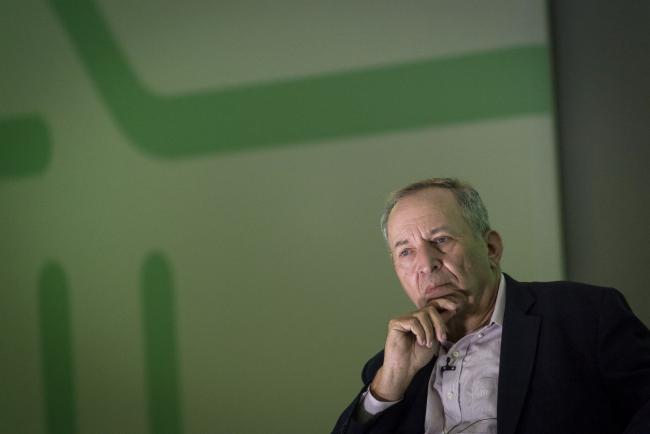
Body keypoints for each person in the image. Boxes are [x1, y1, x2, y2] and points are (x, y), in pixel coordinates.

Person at [332, 178, 650, 434]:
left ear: (491, 248)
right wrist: (389, 382)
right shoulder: (388, 368)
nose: (426, 264)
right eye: (406, 252)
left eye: (441, 240)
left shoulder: (585, 315)